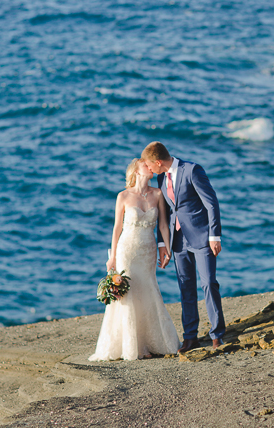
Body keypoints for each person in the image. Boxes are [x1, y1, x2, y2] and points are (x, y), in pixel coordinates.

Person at [89, 159, 180, 361]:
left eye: (150, 165)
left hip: (148, 250)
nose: (149, 167)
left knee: (148, 288)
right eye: (144, 165)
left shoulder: (158, 194)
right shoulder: (123, 196)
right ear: (136, 171)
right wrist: (112, 257)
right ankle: (133, 346)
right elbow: (117, 228)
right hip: (127, 250)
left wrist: (167, 248)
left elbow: (163, 225)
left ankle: (152, 341)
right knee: (128, 292)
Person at [141, 141, 225, 352]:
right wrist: (163, 243)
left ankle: (217, 334)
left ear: (158, 162)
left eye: (150, 166)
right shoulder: (162, 177)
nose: (149, 170)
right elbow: (165, 213)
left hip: (202, 237)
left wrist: (215, 235)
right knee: (185, 287)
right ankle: (191, 337)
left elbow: (211, 202)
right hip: (178, 241)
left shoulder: (192, 170)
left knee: (208, 284)